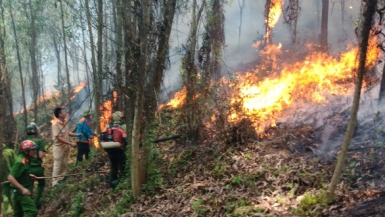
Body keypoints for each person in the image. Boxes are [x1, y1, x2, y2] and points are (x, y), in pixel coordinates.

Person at [51, 107, 82, 187]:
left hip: (65, 147)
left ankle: (62, 178)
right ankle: (54, 182)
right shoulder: (55, 125)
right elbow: (58, 137)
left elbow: (68, 133)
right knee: (58, 164)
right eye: (63, 112)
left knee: (64, 163)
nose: (65, 113)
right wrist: (70, 143)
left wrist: (77, 135)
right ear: (59, 114)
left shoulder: (64, 122)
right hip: (58, 148)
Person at [7, 140, 39, 217]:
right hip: (20, 193)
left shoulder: (25, 159)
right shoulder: (20, 161)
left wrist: (28, 176)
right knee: (32, 212)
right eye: (33, 149)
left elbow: (21, 172)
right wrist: (23, 189)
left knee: (18, 214)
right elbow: (10, 177)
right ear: (26, 151)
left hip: (17, 192)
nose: (35, 151)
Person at [102, 112, 127, 188]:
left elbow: (103, 136)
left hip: (110, 149)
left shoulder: (107, 126)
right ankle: (124, 182)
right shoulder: (124, 126)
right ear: (119, 118)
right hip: (119, 149)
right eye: (122, 118)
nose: (122, 119)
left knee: (113, 166)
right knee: (123, 165)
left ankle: (112, 184)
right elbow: (126, 137)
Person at [26, 123, 47, 208]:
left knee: (29, 186)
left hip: (28, 169)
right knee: (41, 184)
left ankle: (28, 205)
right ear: (35, 132)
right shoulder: (39, 141)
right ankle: (35, 203)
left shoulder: (25, 142)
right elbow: (41, 155)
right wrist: (44, 153)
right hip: (38, 168)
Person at [2, 142, 16, 215]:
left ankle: (8, 209)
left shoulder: (8, 152)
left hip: (4, 179)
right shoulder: (9, 152)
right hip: (12, 176)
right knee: (13, 192)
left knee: (5, 193)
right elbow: (16, 162)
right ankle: (13, 208)